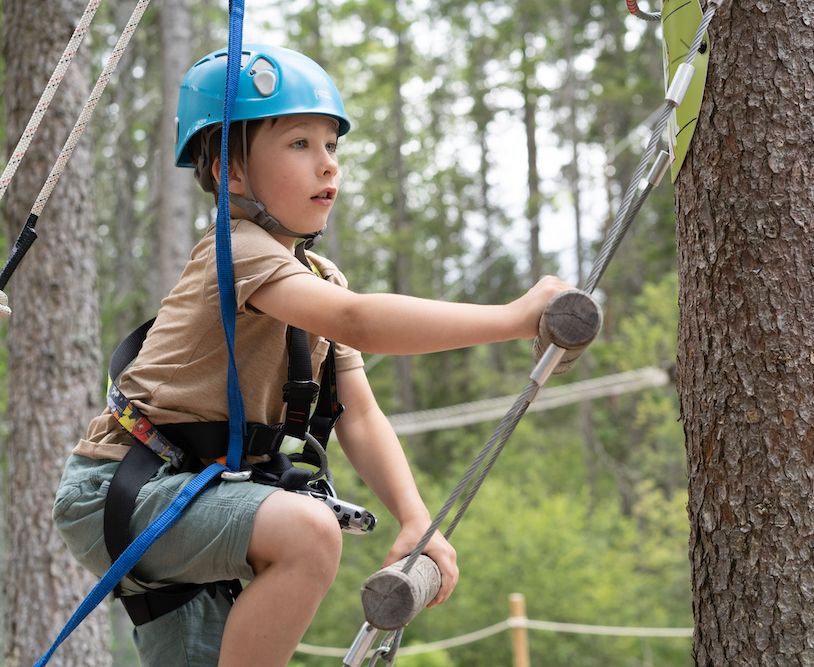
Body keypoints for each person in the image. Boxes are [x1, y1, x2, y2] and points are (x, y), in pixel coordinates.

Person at [53, 44, 570, 666]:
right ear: (230, 172)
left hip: (187, 491)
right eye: (299, 145)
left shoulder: (318, 277)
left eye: (332, 146)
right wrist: (515, 319)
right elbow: (358, 321)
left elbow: (358, 414)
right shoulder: (235, 250)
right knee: (307, 532)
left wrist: (414, 518)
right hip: (126, 485)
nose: (327, 165)